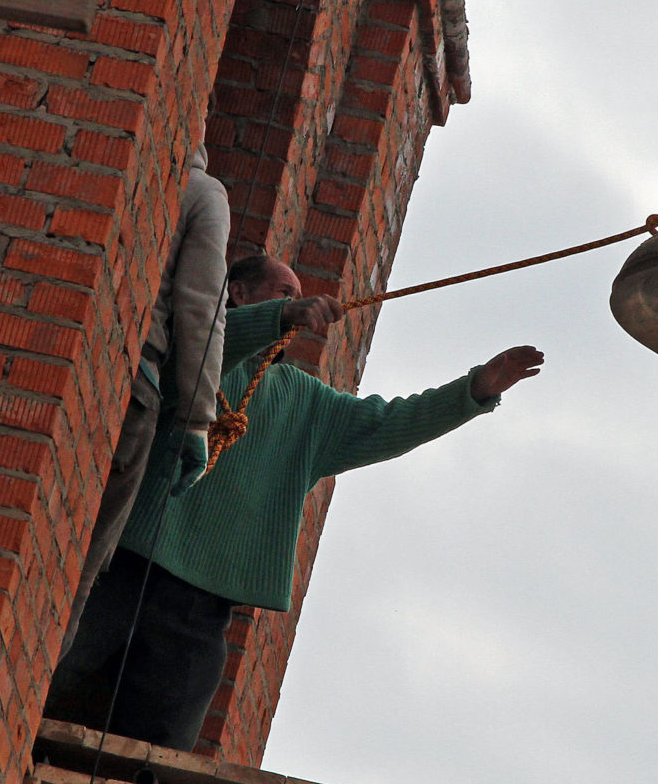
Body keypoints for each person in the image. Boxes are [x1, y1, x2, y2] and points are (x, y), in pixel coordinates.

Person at [43, 254, 544, 749]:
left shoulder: (305, 402)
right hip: (121, 569)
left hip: (203, 609)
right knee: (44, 684)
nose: (296, 301)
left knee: (157, 754)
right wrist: (280, 316)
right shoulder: (193, 346)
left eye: (296, 296)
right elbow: (210, 345)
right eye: (284, 291)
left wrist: (474, 390)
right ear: (237, 293)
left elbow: (389, 423)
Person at [65, 141, 228, 639]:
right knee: (76, 571)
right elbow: (202, 308)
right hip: (133, 384)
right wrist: (198, 420)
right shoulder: (203, 192)